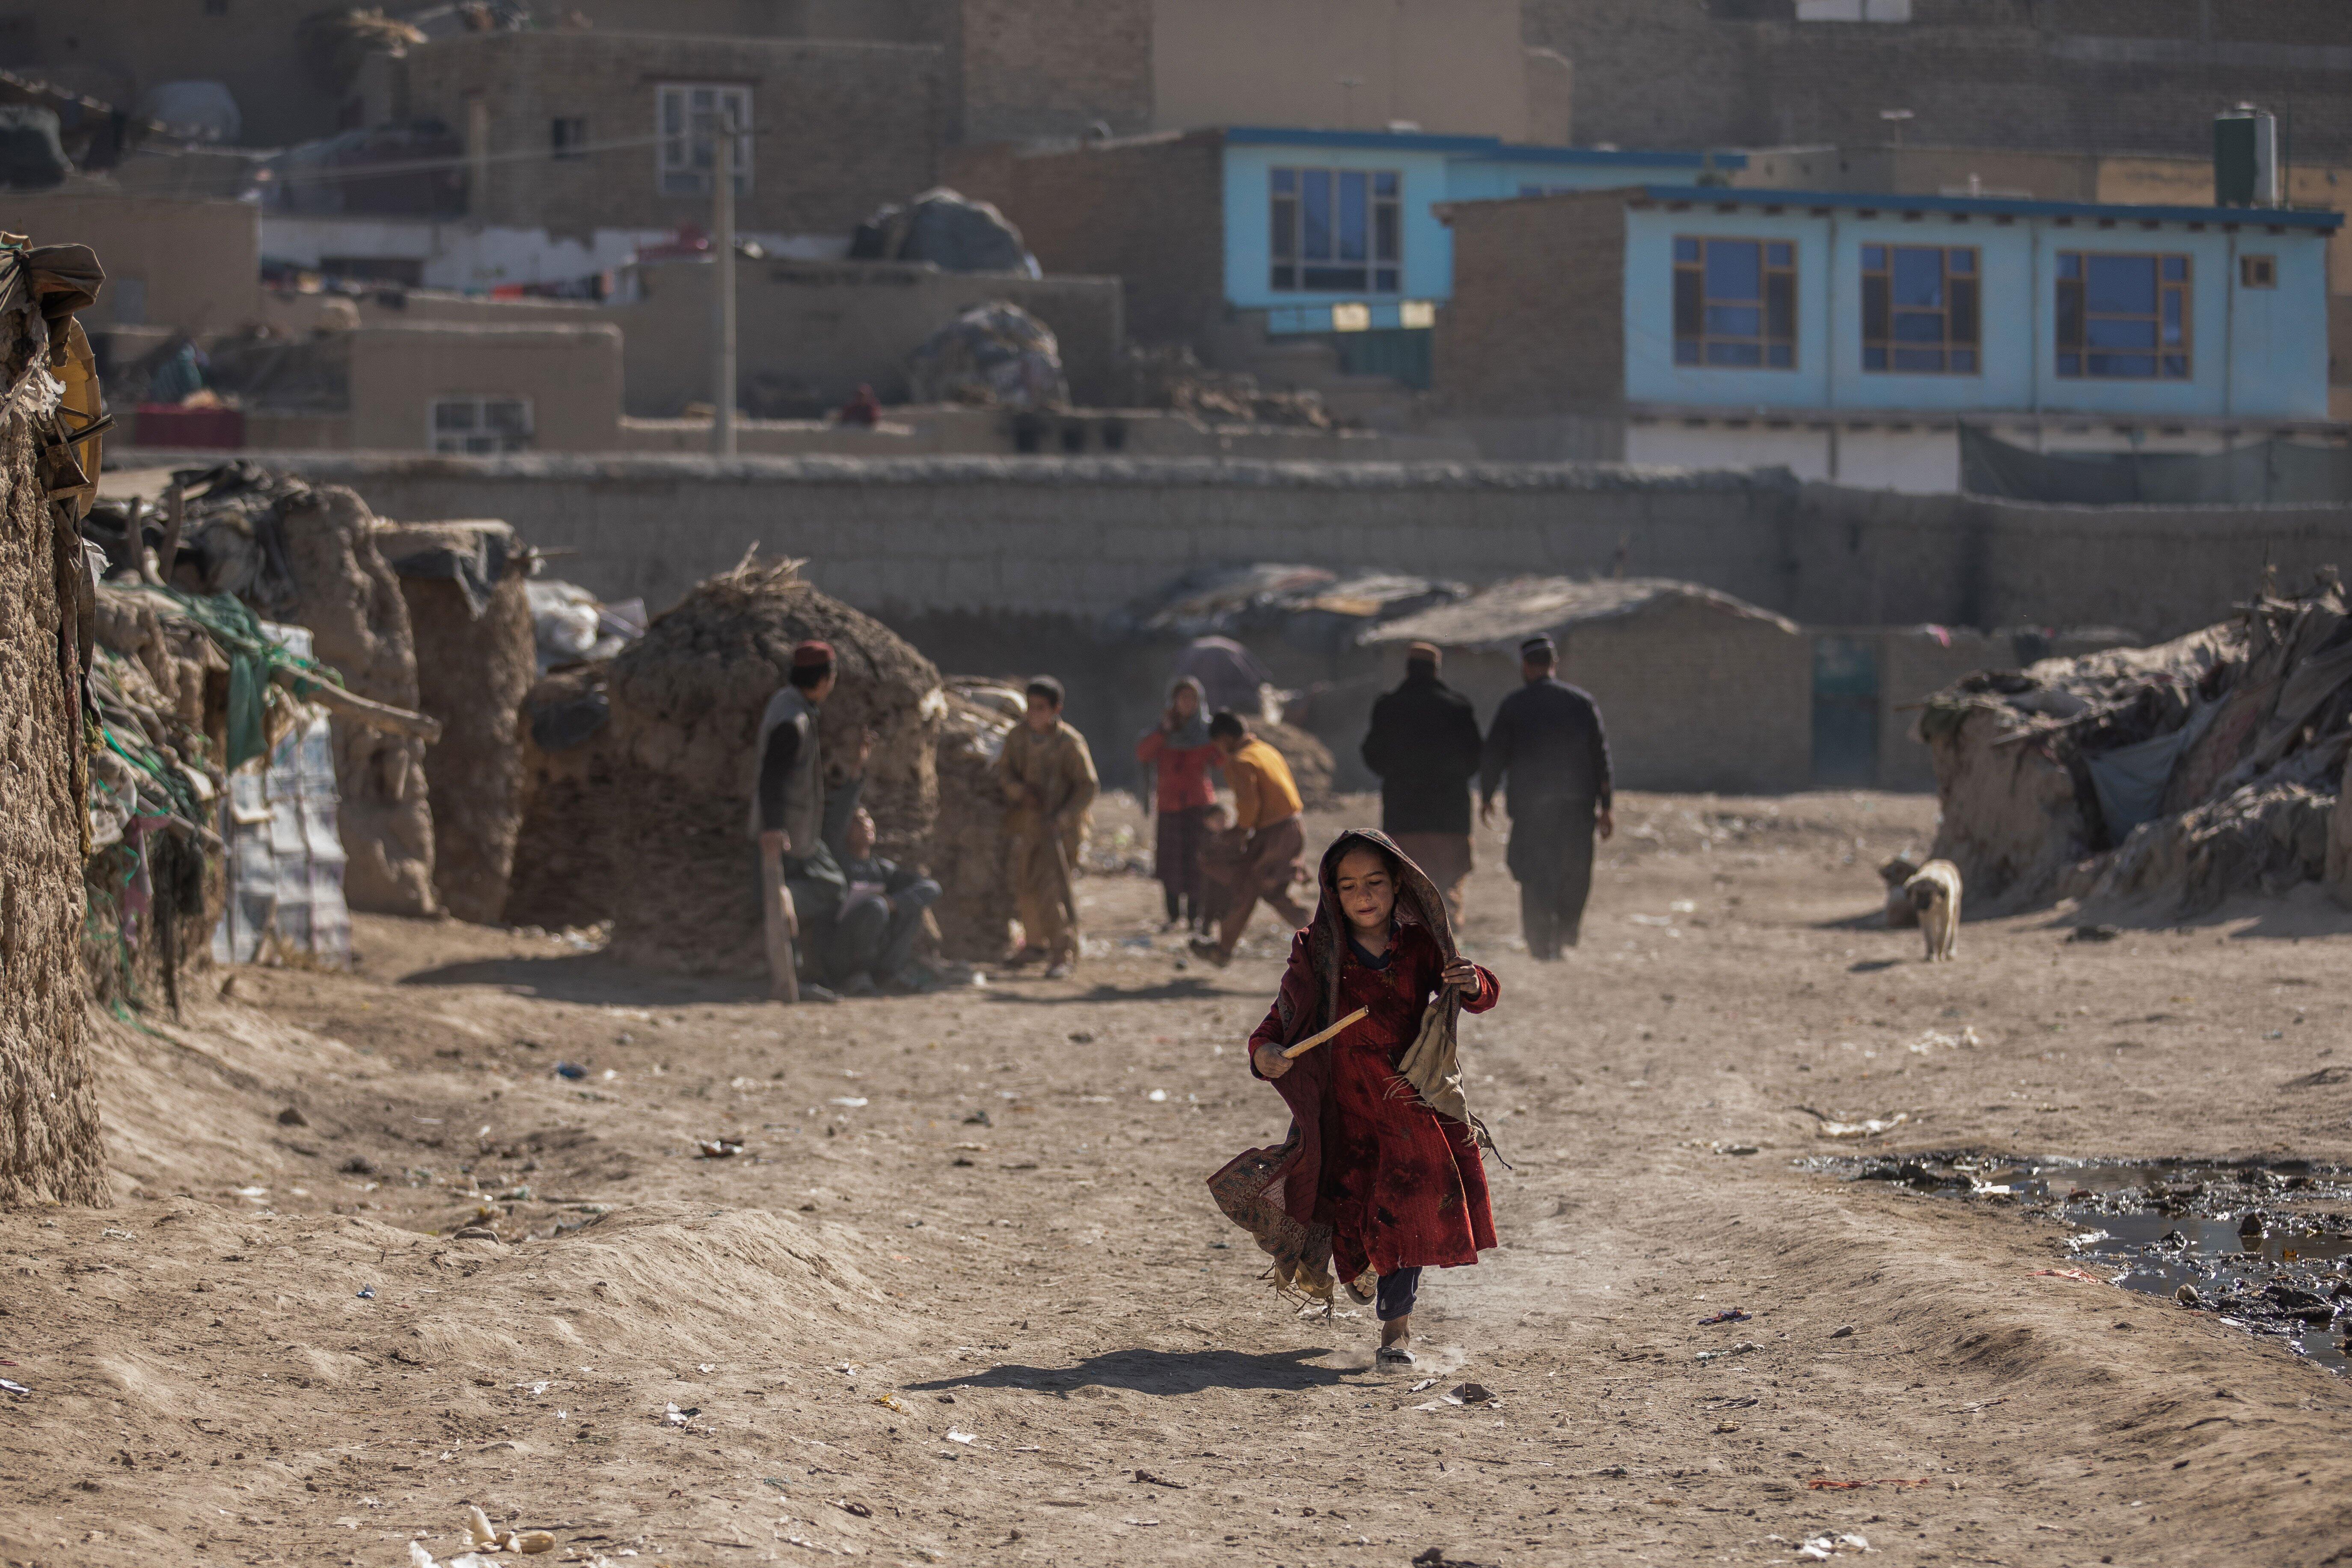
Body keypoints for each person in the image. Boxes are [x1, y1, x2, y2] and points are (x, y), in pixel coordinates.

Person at [1218, 831, 1500, 1365]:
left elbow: (1476, 990)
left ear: (1398, 884)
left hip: (1406, 1104)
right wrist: (1265, 1054)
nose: (1364, 895)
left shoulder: (1419, 944)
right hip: (1342, 1112)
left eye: (1374, 882)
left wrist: (1474, 983)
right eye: (1349, 886)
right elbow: (1276, 1023)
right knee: (1351, 1216)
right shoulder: (1315, 951)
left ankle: (1396, 1334)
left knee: (1406, 1209)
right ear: (1332, 893)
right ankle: (1357, 1264)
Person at [1479, 635, 1614, 959]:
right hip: (1576, 809)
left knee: (1535, 877)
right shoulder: (1581, 703)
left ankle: (1542, 946)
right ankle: (1564, 935)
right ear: (1555, 665)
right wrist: (1607, 808)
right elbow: (1601, 758)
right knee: (1574, 873)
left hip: (1531, 811)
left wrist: (1486, 795)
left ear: (1526, 666)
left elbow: (1494, 755)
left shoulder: (1514, 706)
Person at [1360, 641, 1484, 922]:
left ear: (1408, 670)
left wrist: (1398, 774)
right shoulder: (1457, 707)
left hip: (1403, 816)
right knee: (1447, 890)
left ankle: (1414, 958)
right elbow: (1476, 757)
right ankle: (1450, 956)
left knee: (1406, 892)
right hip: (1449, 818)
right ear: (1436, 670)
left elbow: (1371, 753)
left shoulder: (1389, 707)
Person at [752, 640, 847, 1003]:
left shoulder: (791, 706)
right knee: (828, 886)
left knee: (805, 898)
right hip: (790, 831)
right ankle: (790, 976)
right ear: (824, 679)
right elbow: (772, 777)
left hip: (795, 827)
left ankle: (798, 977)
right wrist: (774, 827)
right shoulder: (792, 721)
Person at [1189, 711, 1310, 967]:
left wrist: (1238, 833)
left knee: (1256, 886)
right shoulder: (1265, 750)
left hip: (1274, 835)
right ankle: (1223, 951)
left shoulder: (1240, 761)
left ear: (1224, 738)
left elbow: (1249, 805)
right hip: (1292, 828)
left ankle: (1329, 940)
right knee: (1261, 889)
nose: (1219, 751)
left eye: (1218, 745)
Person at [995, 676, 1097, 979]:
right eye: (1031, 707)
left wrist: (1063, 816)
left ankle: (1062, 952)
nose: (1034, 714)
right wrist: (1020, 792)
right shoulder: (1017, 738)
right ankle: (1035, 945)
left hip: (1061, 831)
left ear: (1056, 709)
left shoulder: (1069, 743)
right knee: (1026, 886)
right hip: (1030, 825)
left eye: (1041, 708)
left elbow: (1088, 787)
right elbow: (1005, 774)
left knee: (1053, 891)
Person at [813, 768, 943, 995]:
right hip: (840, 954)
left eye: (867, 818)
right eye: (857, 821)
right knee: (875, 906)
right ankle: (854, 978)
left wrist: (895, 903)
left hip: (874, 954)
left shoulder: (882, 870)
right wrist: (857, 772)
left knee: (909, 907)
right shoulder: (837, 862)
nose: (866, 824)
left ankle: (888, 975)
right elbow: (837, 820)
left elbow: (932, 888)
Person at [1135, 676, 1221, 931]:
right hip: (1170, 806)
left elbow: (1220, 760)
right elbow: (1143, 753)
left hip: (1199, 805)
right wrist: (1164, 731)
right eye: (1183, 697)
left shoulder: (1207, 732)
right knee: (1170, 864)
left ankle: (1196, 917)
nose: (1187, 703)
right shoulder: (1163, 730)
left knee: (1198, 862)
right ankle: (1173, 917)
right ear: (1174, 701)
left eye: (1192, 698)